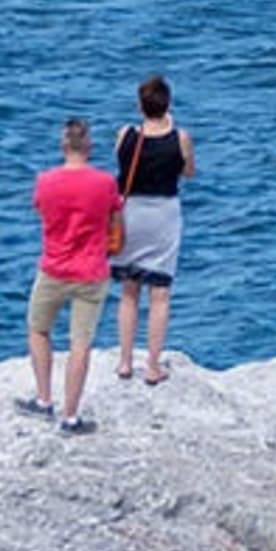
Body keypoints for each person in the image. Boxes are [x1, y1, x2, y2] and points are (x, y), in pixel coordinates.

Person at [16, 117, 122, 435]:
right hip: (91, 272)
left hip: (53, 268)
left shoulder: (45, 181)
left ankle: (45, 399)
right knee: (80, 343)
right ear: (88, 146)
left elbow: (41, 211)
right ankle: (71, 416)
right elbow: (114, 216)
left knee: (38, 330)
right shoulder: (104, 183)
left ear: (63, 146)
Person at [112, 73, 196, 386]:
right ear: (168, 104)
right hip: (163, 214)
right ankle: (151, 366)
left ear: (140, 105)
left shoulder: (126, 135)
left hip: (131, 212)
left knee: (129, 290)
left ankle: (123, 362)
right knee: (159, 293)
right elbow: (188, 172)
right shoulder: (181, 138)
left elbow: (120, 166)